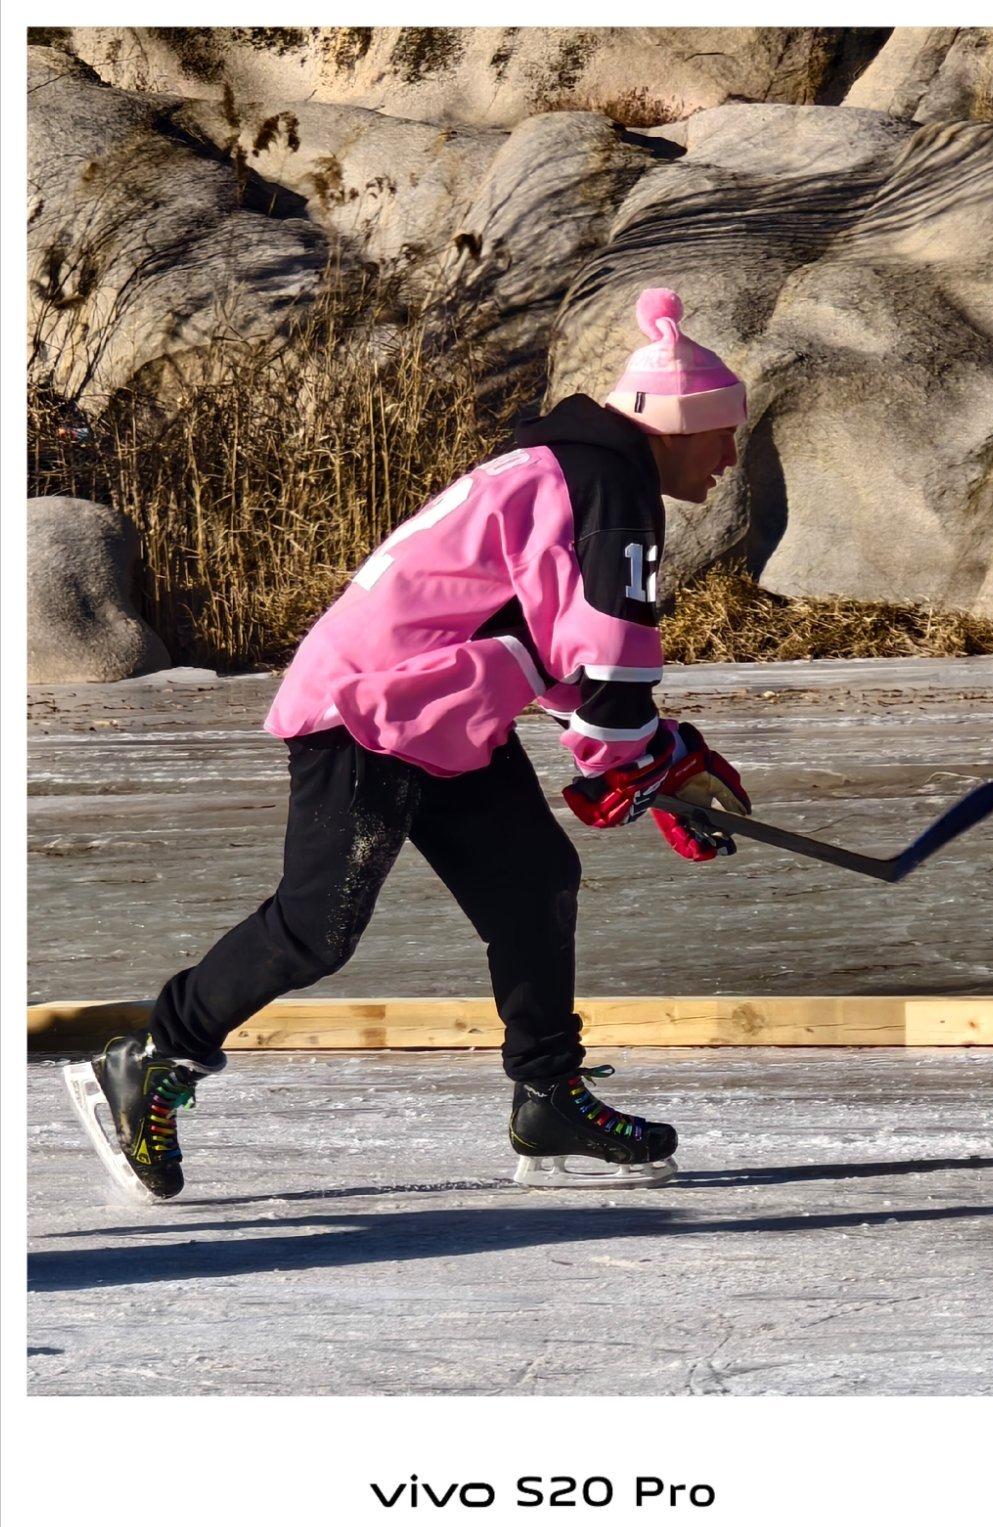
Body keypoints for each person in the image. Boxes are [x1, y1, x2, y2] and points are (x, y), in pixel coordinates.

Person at [66, 286, 752, 1200]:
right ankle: (155, 1053)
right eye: (722, 436)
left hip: (440, 710)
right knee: (318, 926)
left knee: (534, 881)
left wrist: (658, 759)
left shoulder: (569, 469)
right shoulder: (611, 485)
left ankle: (548, 1096)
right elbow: (609, 651)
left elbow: (547, 643)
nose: (729, 458)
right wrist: (639, 759)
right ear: (675, 427)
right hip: (366, 709)